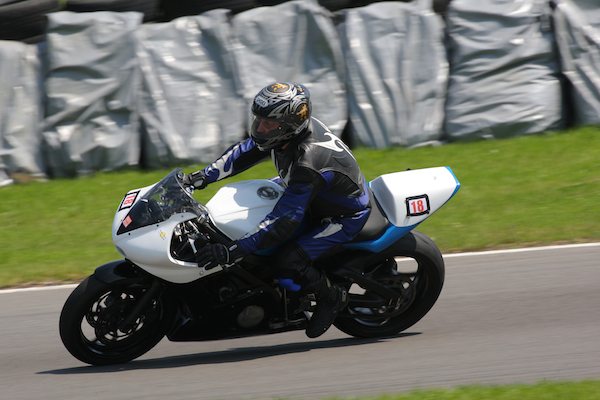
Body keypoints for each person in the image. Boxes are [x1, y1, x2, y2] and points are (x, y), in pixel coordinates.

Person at [183, 82, 371, 338]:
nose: (260, 128)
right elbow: (244, 151)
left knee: (287, 261)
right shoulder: (286, 135)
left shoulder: (309, 160)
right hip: (305, 194)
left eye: (269, 123)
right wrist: (200, 178)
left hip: (340, 216)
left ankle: (332, 297)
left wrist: (234, 250)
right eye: (258, 120)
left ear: (290, 124)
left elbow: (284, 220)